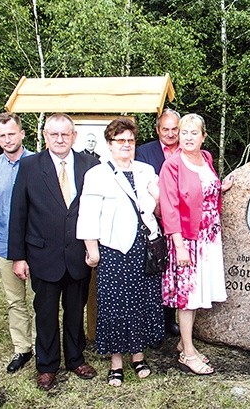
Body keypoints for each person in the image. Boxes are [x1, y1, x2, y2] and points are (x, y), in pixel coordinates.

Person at [8, 113, 100, 391]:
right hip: (42, 255)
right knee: (45, 312)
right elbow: (18, 213)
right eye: (54, 134)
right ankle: (46, 366)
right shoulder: (29, 167)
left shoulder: (90, 165)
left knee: (75, 310)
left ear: (74, 136)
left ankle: (75, 358)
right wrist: (18, 256)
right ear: (45, 136)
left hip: (78, 255)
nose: (60, 140)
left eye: (65, 134)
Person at [77, 118, 164, 387]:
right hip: (114, 249)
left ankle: (138, 356)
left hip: (144, 247)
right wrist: (92, 250)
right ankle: (116, 362)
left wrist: (158, 194)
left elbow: (159, 209)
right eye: (120, 140)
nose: (126, 145)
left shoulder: (146, 170)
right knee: (115, 306)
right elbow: (88, 215)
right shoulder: (97, 174)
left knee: (141, 302)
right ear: (109, 144)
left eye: (130, 140)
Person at [159, 113, 233, 375]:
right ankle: (188, 354)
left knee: (199, 291)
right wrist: (178, 245)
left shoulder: (207, 158)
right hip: (187, 240)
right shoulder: (172, 165)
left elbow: (203, 188)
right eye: (184, 132)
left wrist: (220, 188)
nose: (188, 138)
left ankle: (183, 342)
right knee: (187, 297)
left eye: (193, 133)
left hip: (209, 238)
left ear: (203, 136)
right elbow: (169, 208)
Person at [0, 112, 35, 374]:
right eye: (1, 135)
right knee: (15, 300)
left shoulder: (38, 162)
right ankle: (22, 348)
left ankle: (42, 343)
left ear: (22, 134)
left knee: (41, 299)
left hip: (37, 244)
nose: (7, 139)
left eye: (11, 133)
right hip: (4, 244)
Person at [136, 108, 182, 337]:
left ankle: (169, 319)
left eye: (175, 129)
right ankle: (151, 321)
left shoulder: (188, 150)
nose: (171, 133)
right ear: (157, 130)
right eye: (166, 129)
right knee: (154, 271)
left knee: (174, 271)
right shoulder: (143, 152)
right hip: (153, 222)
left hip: (181, 224)